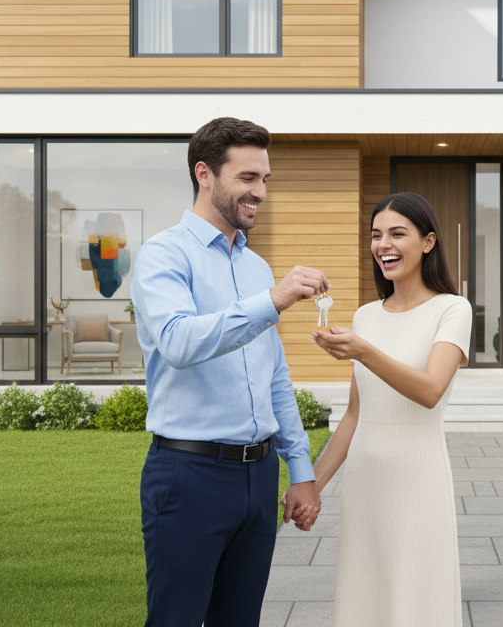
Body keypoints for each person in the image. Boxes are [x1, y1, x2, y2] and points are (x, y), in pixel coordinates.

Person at [131, 116, 329, 627]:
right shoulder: (163, 255)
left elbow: (275, 378)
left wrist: (300, 471)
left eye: (265, 180)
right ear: (204, 174)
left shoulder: (256, 267)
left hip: (258, 480)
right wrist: (274, 300)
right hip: (189, 475)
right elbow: (178, 341)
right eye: (247, 178)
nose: (260, 192)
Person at [310, 192, 472, 627]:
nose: (384, 244)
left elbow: (431, 390)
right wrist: (312, 485)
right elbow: (353, 417)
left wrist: (363, 352)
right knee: (365, 600)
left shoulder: (452, 309)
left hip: (417, 478)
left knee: (418, 602)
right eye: (376, 235)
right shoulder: (365, 315)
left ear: (428, 242)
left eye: (398, 233)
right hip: (365, 482)